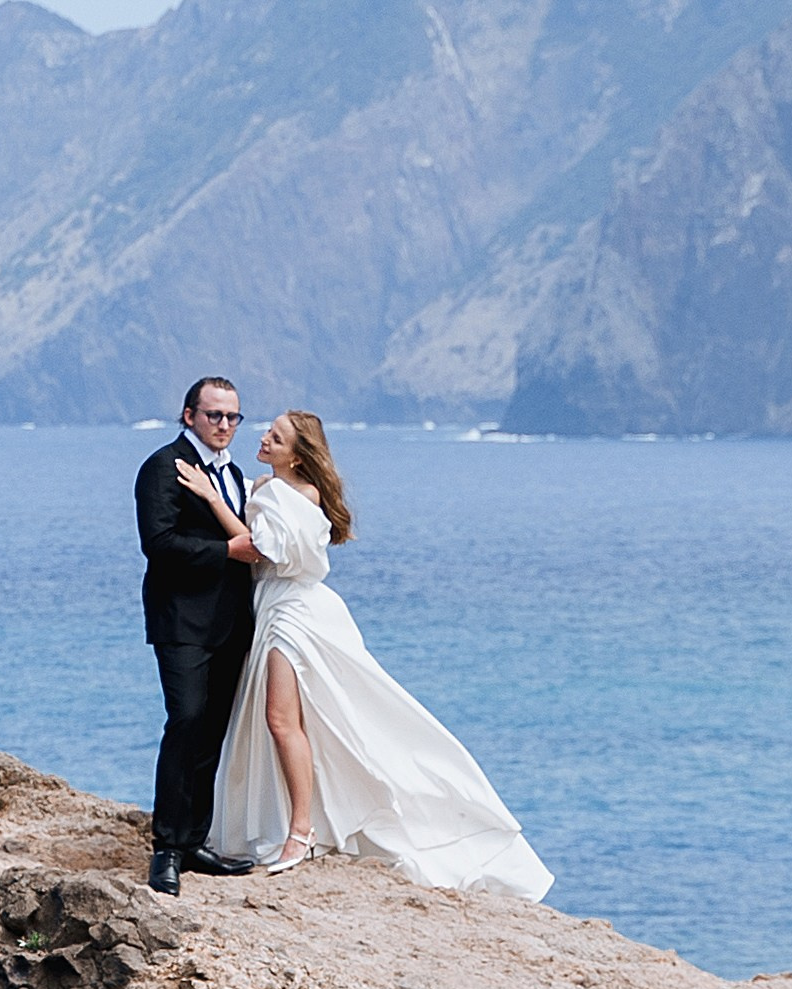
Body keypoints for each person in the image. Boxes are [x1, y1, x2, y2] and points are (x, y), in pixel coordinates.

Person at [174, 409, 552, 898]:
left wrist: (209, 496)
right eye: (268, 430)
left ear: (298, 455)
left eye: (278, 436)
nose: (265, 437)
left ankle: (300, 831)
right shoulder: (273, 489)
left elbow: (259, 548)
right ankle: (303, 823)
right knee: (306, 723)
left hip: (292, 613)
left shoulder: (291, 494)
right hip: (281, 609)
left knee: (281, 721)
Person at [134, 377, 259, 896]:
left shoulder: (235, 474)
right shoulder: (162, 467)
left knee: (212, 731)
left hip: (233, 622)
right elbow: (159, 544)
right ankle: (165, 847)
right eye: (214, 416)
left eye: (232, 417)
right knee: (184, 720)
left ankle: (194, 841)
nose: (224, 425)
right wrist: (226, 553)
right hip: (181, 619)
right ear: (189, 416)